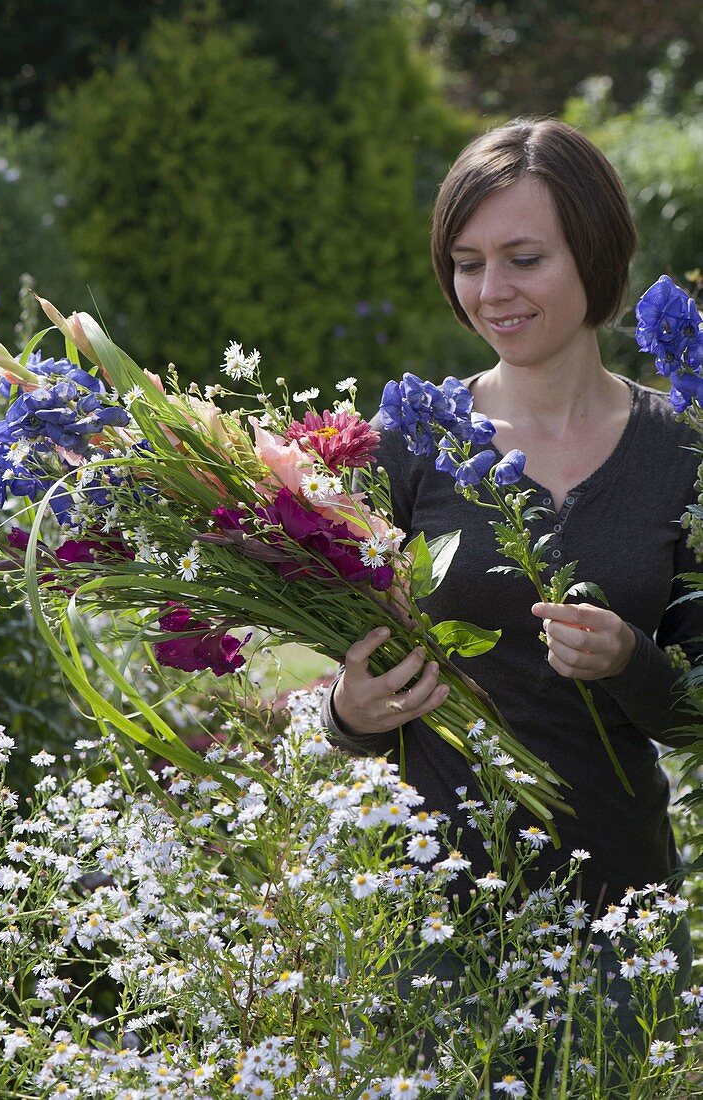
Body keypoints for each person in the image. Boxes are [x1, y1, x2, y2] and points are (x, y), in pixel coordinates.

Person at [322, 117, 697, 1037]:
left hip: (621, 915)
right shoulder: (412, 441)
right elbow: (355, 651)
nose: (491, 292)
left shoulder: (684, 452)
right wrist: (347, 712)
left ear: (595, 254)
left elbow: (696, 713)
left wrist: (631, 662)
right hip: (434, 910)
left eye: (524, 257)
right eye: (466, 261)